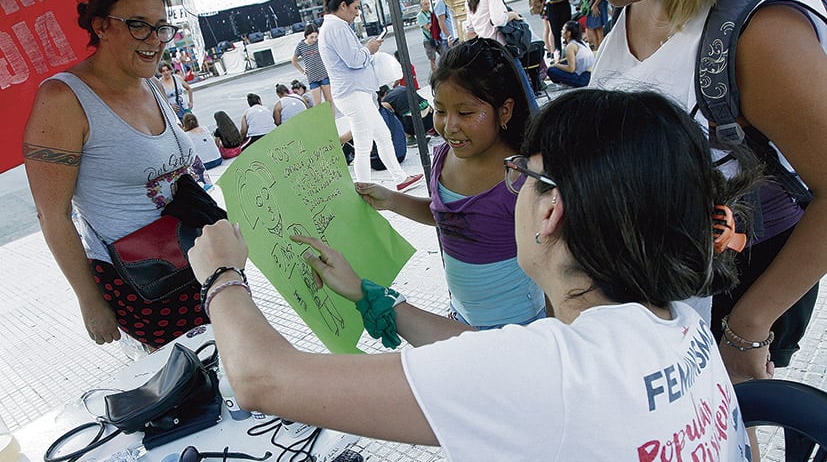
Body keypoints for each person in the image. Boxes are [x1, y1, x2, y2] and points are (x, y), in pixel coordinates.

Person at [189, 89, 755, 460]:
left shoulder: (552, 375)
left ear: (552, 211)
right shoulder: (677, 321)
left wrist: (222, 276)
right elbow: (500, 356)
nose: (514, 192)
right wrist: (370, 297)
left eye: (522, 176)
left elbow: (261, 379)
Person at [590, 0, 826, 383]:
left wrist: (748, 326)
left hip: (736, 280)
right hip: (654, 289)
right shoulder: (633, 7)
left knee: (728, 428)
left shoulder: (761, 33)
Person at [22, 0, 209, 350]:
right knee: (190, 388)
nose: (154, 39)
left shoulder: (149, 83)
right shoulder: (63, 98)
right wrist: (90, 302)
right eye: (138, 24)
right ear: (101, 26)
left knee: (241, 375)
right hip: (145, 282)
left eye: (161, 27)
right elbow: (52, 215)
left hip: (197, 257)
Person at [358, 39, 544, 328]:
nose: (449, 125)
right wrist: (392, 200)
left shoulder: (522, 179)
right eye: (441, 110)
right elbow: (447, 218)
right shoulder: (444, 156)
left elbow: (554, 262)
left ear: (505, 111)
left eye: (466, 113)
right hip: (460, 318)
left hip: (519, 325)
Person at [318, 0, 423, 191]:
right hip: (353, 94)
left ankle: (399, 178)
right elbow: (354, 60)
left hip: (353, 93)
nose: (358, 12)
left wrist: (365, 48)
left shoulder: (332, 27)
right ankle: (365, 188)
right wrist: (369, 48)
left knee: (381, 136)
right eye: (356, 7)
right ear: (343, 5)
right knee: (364, 144)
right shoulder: (337, 27)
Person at [464, 0, 539, 111]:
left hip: (487, 51)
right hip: (503, 49)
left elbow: (469, 28)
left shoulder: (470, 0)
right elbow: (499, 20)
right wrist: (513, 15)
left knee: (503, 94)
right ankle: (536, 121)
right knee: (524, 90)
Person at [291, 23, 334, 111]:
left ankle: (332, 121)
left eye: (316, 37)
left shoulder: (320, 42)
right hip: (312, 78)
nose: (314, 39)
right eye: (311, 37)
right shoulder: (301, 46)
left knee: (329, 100)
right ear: (306, 36)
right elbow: (294, 60)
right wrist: (302, 71)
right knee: (317, 104)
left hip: (324, 75)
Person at [546, 20, 593, 88]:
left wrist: (556, 65)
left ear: (568, 33)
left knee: (551, 70)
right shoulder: (581, 42)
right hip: (591, 74)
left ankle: (566, 83)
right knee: (563, 63)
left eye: (563, 30)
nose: (561, 31)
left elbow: (571, 69)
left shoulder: (570, 46)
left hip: (582, 79)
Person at [417, 0, 439, 70]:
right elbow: (426, 27)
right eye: (425, 4)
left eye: (428, 4)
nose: (428, 6)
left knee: (443, 53)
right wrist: (433, 22)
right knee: (432, 59)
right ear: (421, 6)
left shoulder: (430, 12)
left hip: (435, 37)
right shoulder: (420, 15)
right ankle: (434, 73)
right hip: (428, 39)